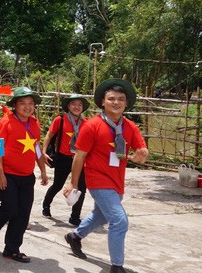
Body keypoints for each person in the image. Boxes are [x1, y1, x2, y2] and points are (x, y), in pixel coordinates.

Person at [64, 79, 149, 273]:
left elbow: (141, 150)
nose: (116, 102)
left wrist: (141, 155)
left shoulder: (130, 127)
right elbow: (79, 156)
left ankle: (75, 236)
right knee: (119, 220)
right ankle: (117, 266)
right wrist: (73, 183)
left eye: (121, 99)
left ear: (126, 103)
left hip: (117, 180)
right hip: (97, 179)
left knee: (100, 216)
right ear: (103, 102)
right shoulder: (92, 125)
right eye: (111, 99)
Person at [0, 86, 48, 263]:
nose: (27, 107)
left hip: (27, 176)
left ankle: (12, 249)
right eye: (23, 103)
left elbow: (36, 147)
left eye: (31, 103)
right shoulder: (6, 121)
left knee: (23, 214)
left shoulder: (34, 122)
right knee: (10, 207)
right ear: (15, 105)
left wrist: (42, 170)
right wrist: (0, 174)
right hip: (9, 174)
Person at [41, 93, 90, 226]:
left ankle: (74, 217)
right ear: (68, 106)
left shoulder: (86, 123)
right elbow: (49, 135)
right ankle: (46, 205)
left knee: (81, 188)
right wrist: (44, 151)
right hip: (63, 158)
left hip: (79, 159)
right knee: (57, 185)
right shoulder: (60, 120)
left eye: (80, 105)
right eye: (74, 104)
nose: (77, 107)